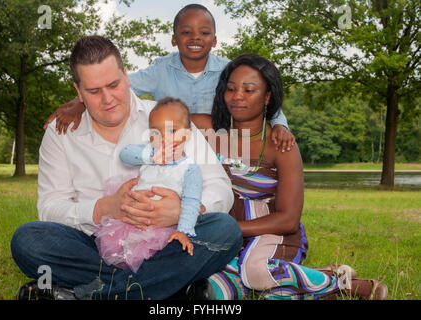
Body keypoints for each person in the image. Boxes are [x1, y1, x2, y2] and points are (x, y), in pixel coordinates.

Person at [10, 35, 243, 300]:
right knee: (27, 240)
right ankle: (165, 288)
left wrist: (182, 211)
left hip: (166, 244)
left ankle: (92, 294)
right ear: (78, 91)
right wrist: (104, 208)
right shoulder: (59, 134)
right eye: (94, 91)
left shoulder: (168, 117)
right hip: (93, 246)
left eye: (114, 85)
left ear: (126, 75)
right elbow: (50, 208)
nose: (108, 99)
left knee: (225, 230)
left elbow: (220, 188)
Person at [189, 53, 388, 300]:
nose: (237, 96)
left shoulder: (281, 145)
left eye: (249, 90)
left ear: (268, 96)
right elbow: (159, 117)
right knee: (213, 291)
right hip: (225, 230)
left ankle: (345, 284)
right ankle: (311, 284)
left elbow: (288, 220)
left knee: (255, 272)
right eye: (231, 89)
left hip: (271, 231)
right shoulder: (206, 129)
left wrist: (230, 229)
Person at [44, 4, 296, 152]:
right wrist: (78, 104)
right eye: (186, 32)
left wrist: (280, 124)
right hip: (173, 148)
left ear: (215, 40)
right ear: (175, 39)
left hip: (219, 147)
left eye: (204, 32)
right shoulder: (159, 70)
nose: (195, 38)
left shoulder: (229, 70)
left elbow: (262, 99)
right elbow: (112, 85)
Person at [95, 97, 202, 273]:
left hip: (162, 228)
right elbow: (125, 154)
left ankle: (142, 280)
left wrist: (183, 231)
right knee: (117, 254)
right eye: (156, 133)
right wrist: (150, 157)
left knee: (161, 259)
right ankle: (119, 277)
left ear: (187, 134)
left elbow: (191, 201)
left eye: (172, 131)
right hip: (131, 222)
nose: (164, 138)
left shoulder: (189, 169)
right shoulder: (148, 154)